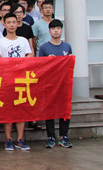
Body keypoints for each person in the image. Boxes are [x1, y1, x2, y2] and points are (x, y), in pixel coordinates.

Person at [0, 13, 33, 151]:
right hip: (6, 80)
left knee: (21, 109)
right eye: (8, 22)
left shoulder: (23, 41)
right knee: (8, 110)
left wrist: (20, 64)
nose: (11, 25)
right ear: (4, 24)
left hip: (21, 79)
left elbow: (29, 55)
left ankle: (20, 139)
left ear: (17, 24)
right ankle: (8, 139)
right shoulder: (0, 42)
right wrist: (10, 65)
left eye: (13, 22)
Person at [39, 19, 73, 149]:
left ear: (61, 30)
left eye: (58, 28)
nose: (56, 31)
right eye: (53, 29)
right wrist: (48, 61)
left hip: (64, 83)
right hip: (49, 84)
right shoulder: (44, 48)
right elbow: (40, 66)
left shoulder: (67, 47)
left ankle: (64, 136)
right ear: (49, 31)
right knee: (50, 110)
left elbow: (70, 64)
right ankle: (51, 137)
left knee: (64, 109)